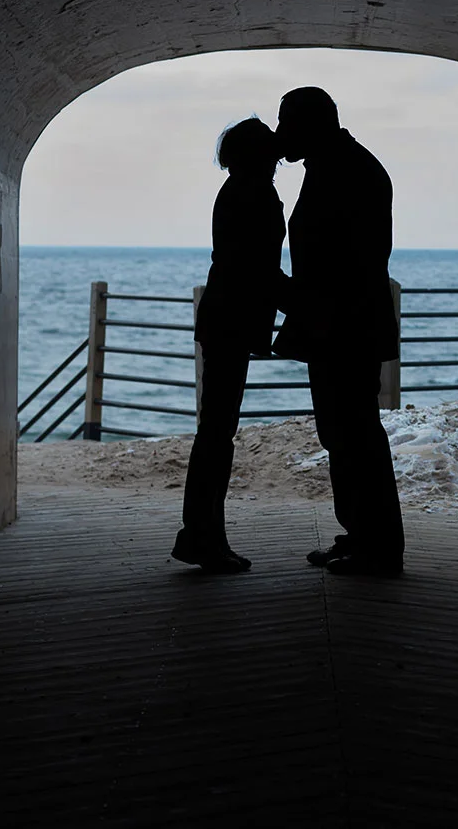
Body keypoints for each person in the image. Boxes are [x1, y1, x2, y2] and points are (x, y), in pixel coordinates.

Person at [271, 87, 405, 575]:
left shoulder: (346, 171)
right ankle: (361, 535)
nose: (280, 134)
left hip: (343, 327)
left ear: (310, 125)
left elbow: (345, 265)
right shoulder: (338, 165)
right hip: (338, 324)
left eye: (286, 124)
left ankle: (380, 547)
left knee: (356, 433)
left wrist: (288, 292)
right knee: (343, 432)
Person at [171, 117, 289, 574]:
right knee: (217, 434)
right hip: (232, 322)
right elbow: (259, 268)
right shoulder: (254, 193)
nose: (278, 161)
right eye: (272, 154)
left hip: (224, 318)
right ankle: (202, 537)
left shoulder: (237, 189)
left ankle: (202, 534)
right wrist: (305, 302)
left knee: (215, 433)